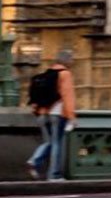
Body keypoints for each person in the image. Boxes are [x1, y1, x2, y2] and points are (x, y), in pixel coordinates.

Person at [24, 50, 77, 181]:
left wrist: (37, 110)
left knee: (48, 142)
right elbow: (67, 96)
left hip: (42, 114)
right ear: (66, 60)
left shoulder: (46, 74)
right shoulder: (65, 74)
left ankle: (34, 161)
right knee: (56, 144)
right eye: (72, 59)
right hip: (57, 114)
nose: (73, 61)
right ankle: (54, 174)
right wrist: (72, 116)